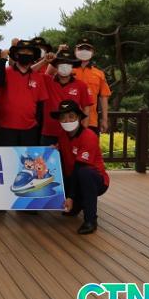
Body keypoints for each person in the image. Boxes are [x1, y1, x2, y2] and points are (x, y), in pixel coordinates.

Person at [52, 100, 110, 234]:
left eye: (71, 116)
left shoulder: (88, 136)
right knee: (64, 173)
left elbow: (79, 167)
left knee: (84, 173)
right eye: (63, 117)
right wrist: (52, 150)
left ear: (78, 117)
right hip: (73, 176)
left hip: (95, 180)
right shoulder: (62, 136)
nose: (67, 120)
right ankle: (77, 204)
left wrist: (70, 196)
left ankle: (91, 220)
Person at [0, 39, 48, 146]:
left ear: (33, 56)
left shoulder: (38, 77)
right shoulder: (6, 72)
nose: (26, 54)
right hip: (6, 127)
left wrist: (36, 122)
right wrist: (2, 60)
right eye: (22, 51)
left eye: (29, 52)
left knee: (27, 157)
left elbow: (40, 103)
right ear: (16, 54)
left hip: (30, 128)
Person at [40, 50, 93, 146]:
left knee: (69, 156)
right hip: (49, 132)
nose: (65, 66)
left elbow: (86, 108)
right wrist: (44, 61)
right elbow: (29, 73)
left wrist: (82, 131)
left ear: (72, 66)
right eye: (61, 63)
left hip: (71, 132)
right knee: (46, 156)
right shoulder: (46, 80)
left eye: (68, 63)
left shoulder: (81, 85)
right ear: (56, 66)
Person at [72, 39, 112, 135]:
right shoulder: (67, 70)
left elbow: (104, 97)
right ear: (75, 51)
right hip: (69, 120)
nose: (84, 51)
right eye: (81, 49)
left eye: (87, 49)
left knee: (90, 144)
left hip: (91, 121)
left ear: (93, 52)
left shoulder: (99, 73)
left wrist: (104, 119)